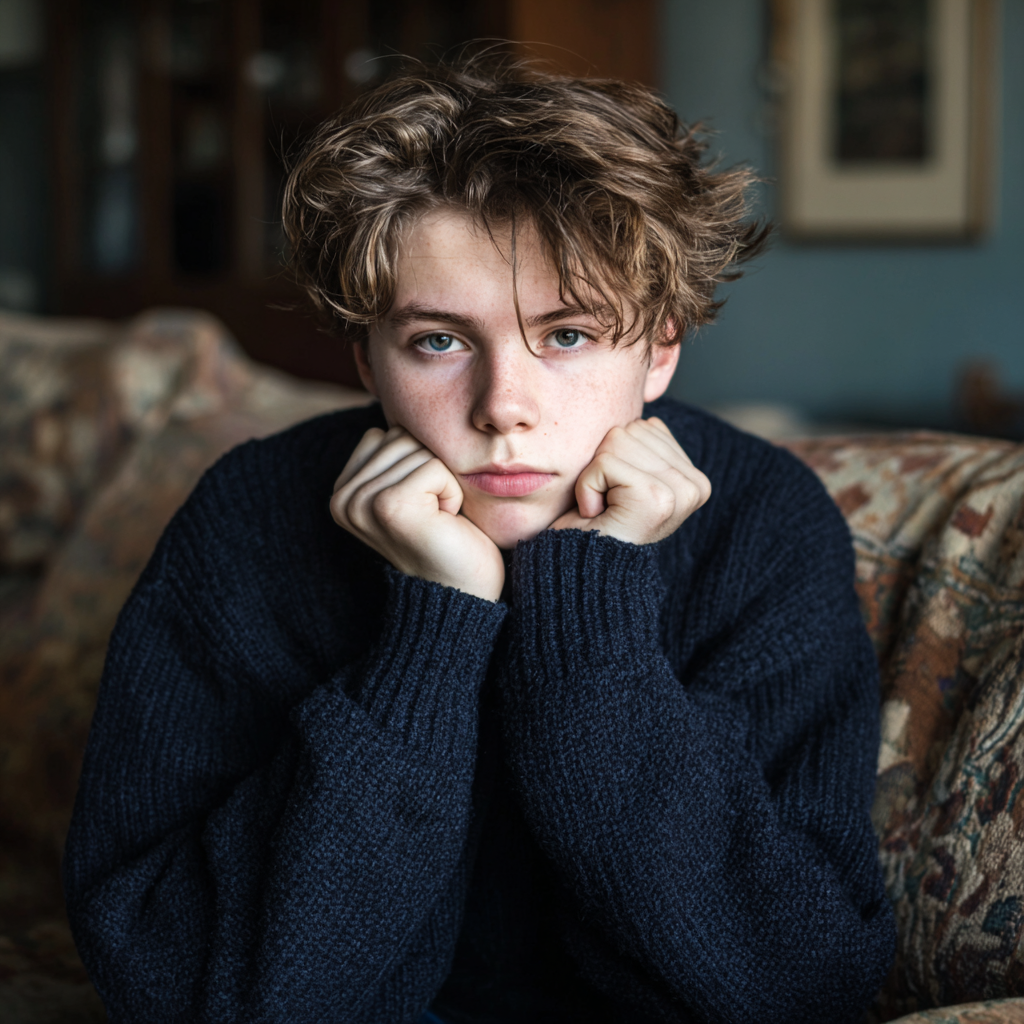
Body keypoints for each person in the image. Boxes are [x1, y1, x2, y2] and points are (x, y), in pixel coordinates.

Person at [63, 58, 896, 1023]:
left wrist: (590, 616)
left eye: (570, 334)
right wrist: (435, 627)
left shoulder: (763, 525)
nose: (504, 408)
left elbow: (799, 985)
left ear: (661, 347)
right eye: (438, 341)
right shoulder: (249, 518)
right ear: (365, 356)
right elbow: (176, 989)